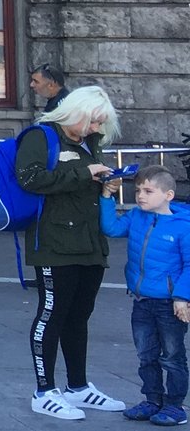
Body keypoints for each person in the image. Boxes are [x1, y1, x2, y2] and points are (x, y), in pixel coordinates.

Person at [19, 85, 128, 420]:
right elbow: (30, 179)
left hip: (89, 241)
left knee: (78, 316)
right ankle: (44, 391)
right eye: (94, 122)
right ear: (78, 112)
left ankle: (78, 387)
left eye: (100, 125)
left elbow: (78, 182)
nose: (97, 129)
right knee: (52, 314)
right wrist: (86, 173)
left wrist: (105, 183)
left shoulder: (88, 142)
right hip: (54, 243)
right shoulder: (41, 136)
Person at [101, 169, 190, 425]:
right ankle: (152, 400)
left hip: (169, 303)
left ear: (168, 195)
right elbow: (111, 228)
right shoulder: (136, 216)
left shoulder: (183, 227)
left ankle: (174, 406)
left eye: (148, 191)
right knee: (145, 354)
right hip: (141, 300)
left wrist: (182, 297)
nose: (140, 195)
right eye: (138, 190)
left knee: (173, 356)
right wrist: (107, 196)